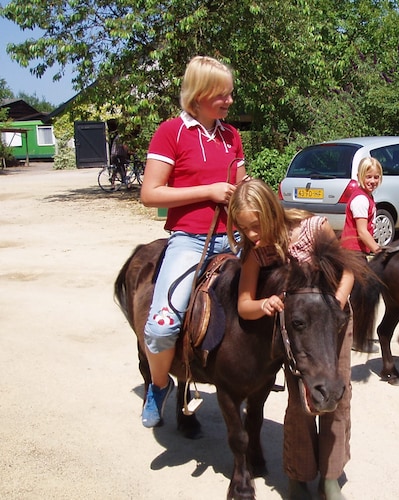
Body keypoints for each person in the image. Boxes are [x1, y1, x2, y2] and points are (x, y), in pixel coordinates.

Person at [227, 179, 354, 500]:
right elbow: (244, 304)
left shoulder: (314, 228)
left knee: (337, 394)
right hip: (295, 327)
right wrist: (263, 305)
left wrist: (336, 305)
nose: (252, 235)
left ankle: (330, 477)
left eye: (256, 225)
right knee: (301, 400)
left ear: (271, 211)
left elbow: (349, 270)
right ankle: (299, 475)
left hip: (332, 320)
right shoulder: (257, 254)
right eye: (244, 229)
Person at [138, 56, 246, 428]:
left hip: (233, 238)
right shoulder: (171, 132)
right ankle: (158, 384)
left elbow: (242, 188)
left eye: (230, 93)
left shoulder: (232, 135)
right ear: (200, 94)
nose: (229, 101)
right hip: (189, 240)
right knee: (162, 326)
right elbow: (150, 194)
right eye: (223, 94)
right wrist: (209, 191)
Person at [340, 156, 382, 354]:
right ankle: (356, 338)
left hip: (357, 252)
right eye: (369, 176)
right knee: (359, 295)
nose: (372, 180)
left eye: (376, 177)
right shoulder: (360, 199)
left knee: (357, 293)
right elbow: (362, 231)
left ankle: (357, 336)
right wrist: (377, 249)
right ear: (360, 176)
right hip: (353, 251)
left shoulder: (366, 196)